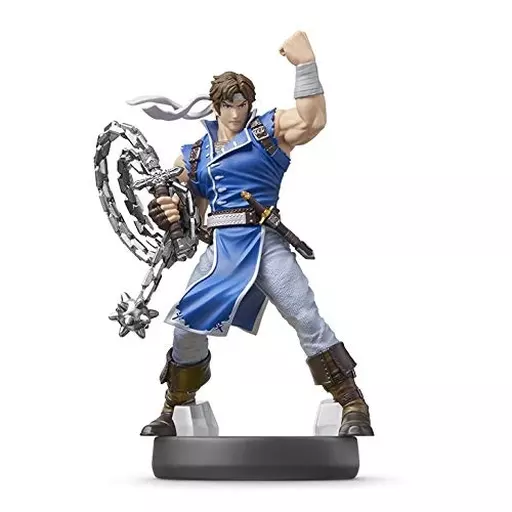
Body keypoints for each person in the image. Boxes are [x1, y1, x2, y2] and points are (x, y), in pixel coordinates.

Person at [140, 31, 374, 437]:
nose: (236, 112)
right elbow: (179, 210)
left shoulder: (267, 132)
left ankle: (351, 401)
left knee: (304, 315)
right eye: (228, 105)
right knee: (186, 325)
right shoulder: (194, 154)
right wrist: (166, 211)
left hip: (264, 243)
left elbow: (312, 120)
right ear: (215, 106)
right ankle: (175, 404)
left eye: (242, 103)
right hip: (221, 251)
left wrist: (305, 66)